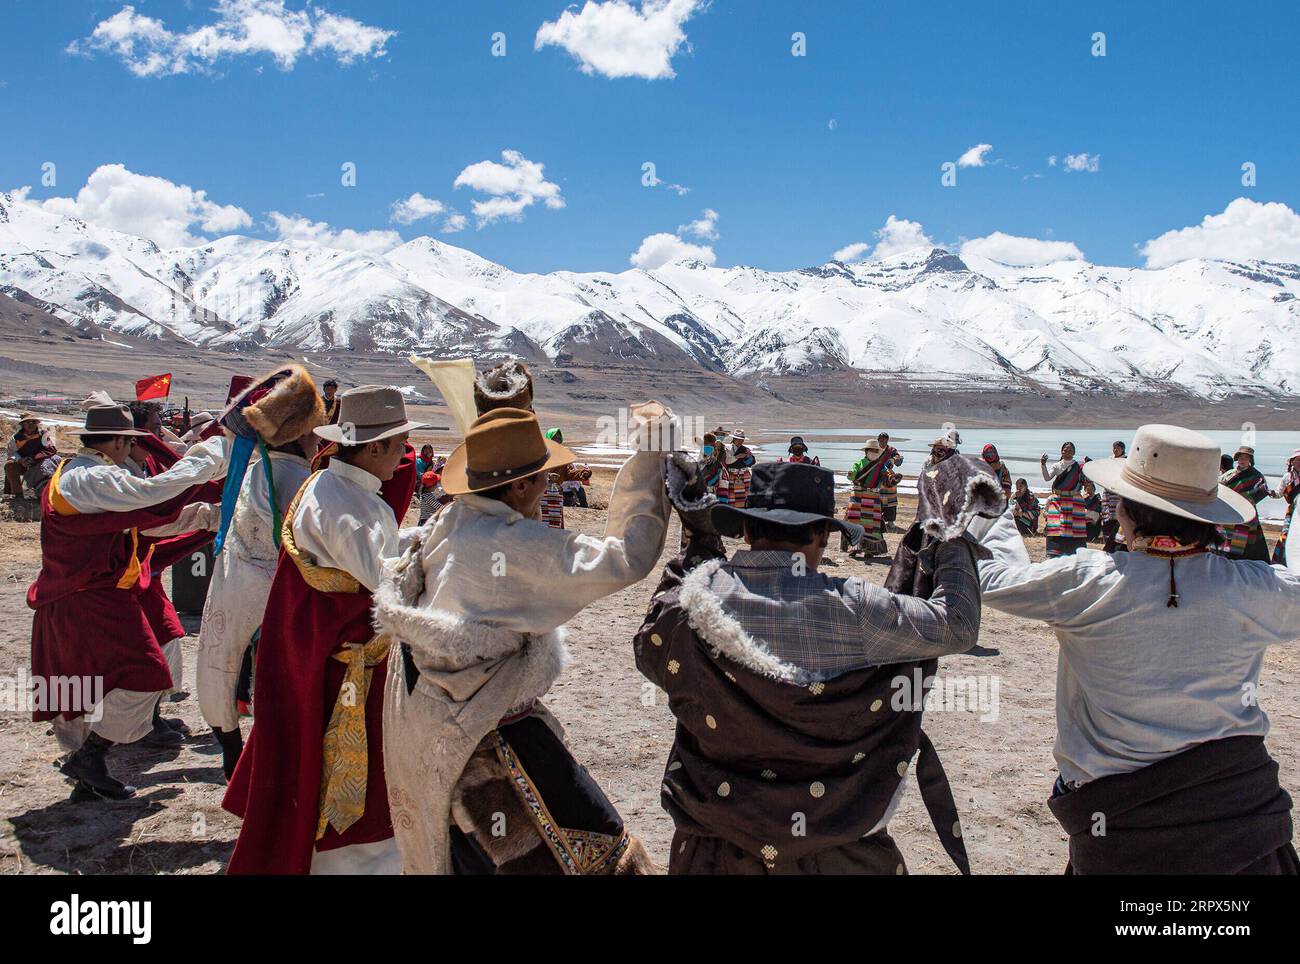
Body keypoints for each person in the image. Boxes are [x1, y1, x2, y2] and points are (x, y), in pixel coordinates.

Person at [974, 424, 1300, 874]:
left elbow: (990, 581)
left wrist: (991, 512)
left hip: (1119, 828)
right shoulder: (1255, 589)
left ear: (1126, 510)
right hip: (1240, 827)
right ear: (1209, 516)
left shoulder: (1088, 581)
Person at [632, 458, 982, 874]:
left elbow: (651, 647)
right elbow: (958, 624)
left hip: (713, 855)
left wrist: (699, 539)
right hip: (839, 857)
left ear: (746, 529)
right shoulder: (857, 608)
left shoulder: (686, 607)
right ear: (822, 535)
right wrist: (950, 527)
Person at [378, 404, 672, 874]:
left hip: (434, 739)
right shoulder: (510, 544)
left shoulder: (448, 525)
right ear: (517, 486)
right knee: (601, 858)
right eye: (540, 477)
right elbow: (626, 558)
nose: (546, 485)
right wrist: (651, 452)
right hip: (495, 746)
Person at [223, 386, 424, 874]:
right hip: (344, 677)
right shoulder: (342, 507)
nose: (403, 460)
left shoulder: (338, 488)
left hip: (334, 664)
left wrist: (428, 536)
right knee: (351, 794)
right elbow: (384, 578)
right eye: (398, 446)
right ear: (373, 447)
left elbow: (382, 552)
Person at [28, 404, 228, 801]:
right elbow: (151, 498)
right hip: (88, 598)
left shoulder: (85, 476)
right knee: (143, 675)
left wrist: (209, 516)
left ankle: (89, 773)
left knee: (90, 685)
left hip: (88, 596)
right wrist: (206, 460)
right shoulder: (90, 478)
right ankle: (89, 757)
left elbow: (148, 521)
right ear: (119, 441)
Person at [197, 366, 325, 782]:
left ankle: (231, 749)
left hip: (235, 576)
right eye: (316, 432)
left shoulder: (257, 469)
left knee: (222, 658)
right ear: (302, 433)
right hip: (275, 589)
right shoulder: (297, 478)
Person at [1218, 445, 1271, 561]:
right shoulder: (1228, 474)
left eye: (1246, 458)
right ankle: (1226, 561)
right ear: (1237, 459)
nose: (1243, 461)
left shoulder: (1257, 476)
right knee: (1226, 539)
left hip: (1246, 513)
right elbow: (1219, 489)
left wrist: (1243, 499)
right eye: (1241, 458)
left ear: (1250, 460)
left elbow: (1262, 491)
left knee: (1240, 542)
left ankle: (1240, 562)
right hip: (1229, 512)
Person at [843, 439, 892, 557]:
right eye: (872, 450)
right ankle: (854, 547)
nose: (874, 452)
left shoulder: (881, 467)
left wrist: (892, 479)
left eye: (876, 450)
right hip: (858, 496)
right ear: (866, 451)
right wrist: (851, 474)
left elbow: (887, 479)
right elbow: (852, 475)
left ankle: (869, 550)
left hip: (873, 496)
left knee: (872, 525)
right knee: (854, 521)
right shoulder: (858, 463)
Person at [1040, 441, 1087, 557]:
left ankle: (1075, 551)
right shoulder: (1057, 466)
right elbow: (1047, 478)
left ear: (1074, 452)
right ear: (1061, 451)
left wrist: (1089, 465)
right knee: (1056, 525)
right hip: (1058, 500)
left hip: (1075, 499)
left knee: (1075, 528)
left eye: (1070, 450)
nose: (1068, 452)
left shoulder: (1079, 467)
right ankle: (1055, 551)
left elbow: (1087, 480)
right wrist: (1043, 465)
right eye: (1066, 450)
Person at [5, 412, 60, 496]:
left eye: (33, 422)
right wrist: (20, 460)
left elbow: (50, 450)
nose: (31, 424)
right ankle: (17, 494)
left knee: (52, 462)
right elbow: (12, 452)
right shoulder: (16, 438)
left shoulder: (43, 435)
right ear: (23, 424)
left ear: (36, 424)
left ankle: (45, 493)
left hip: (39, 462)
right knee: (9, 465)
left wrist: (34, 458)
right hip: (23, 463)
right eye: (27, 422)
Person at [1271, 449, 1300, 565]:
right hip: (1293, 511)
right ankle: (1282, 561)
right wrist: (1272, 494)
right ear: (1292, 462)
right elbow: (1279, 493)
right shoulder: (1287, 477)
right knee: (1286, 535)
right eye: (1298, 460)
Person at [1099, 441, 1127, 552]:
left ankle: (1117, 546)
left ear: (1122, 449)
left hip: (1120, 491)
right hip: (1108, 490)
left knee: (1120, 517)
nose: (1115, 450)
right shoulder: (1109, 460)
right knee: (1108, 516)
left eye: (1118, 448)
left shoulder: (1126, 461)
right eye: (1114, 448)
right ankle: (1108, 543)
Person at [718, 430, 755, 507]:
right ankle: (732, 508)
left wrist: (748, 456)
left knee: (745, 493)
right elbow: (727, 461)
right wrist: (738, 456)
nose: (741, 441)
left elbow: (752, 462)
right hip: (732, 474)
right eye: (739, 439)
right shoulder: (727, 448)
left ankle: (744, 507)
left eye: (742, 440)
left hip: (744, 474)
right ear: (734, 439)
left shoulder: (745, 449)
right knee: (732, 493)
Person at [877, 432, 904, 528]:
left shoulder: (891, 450)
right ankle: (878, 519)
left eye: (885, 439)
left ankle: (890, 521)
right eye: (881, 439)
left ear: (887, 440)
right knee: (877, 498)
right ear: (878, 440)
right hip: (876, 475)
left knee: (891, 499)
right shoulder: (873, 449)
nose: (883, 441)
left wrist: (896, 459)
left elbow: (898, 460)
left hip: (889, 475)